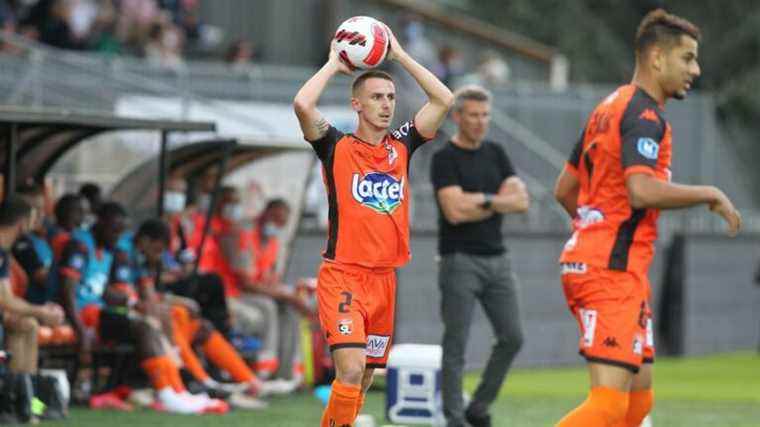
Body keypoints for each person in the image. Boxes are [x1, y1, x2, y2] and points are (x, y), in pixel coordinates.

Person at [552, 9, 742, 427]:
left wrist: (592, 230)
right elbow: (640, 190)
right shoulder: (644, 115)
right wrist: (707, 192)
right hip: (609, 271)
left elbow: (565, 189)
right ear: (657, 58)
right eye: (687, 58)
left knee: (638, 403)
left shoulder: (608, 107)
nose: (696, 68)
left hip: (612, 266)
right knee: (608, 407)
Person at [293, 24, 454, 427]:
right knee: (349, 370)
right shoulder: (335, 146)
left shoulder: (402, 146)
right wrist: (333, 63)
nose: (386, 105)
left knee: (364, 377)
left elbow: (444, 98)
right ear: (357, 105)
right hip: (344, 275)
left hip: (384, 280)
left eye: (390, 97)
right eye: (376, 98)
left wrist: (398, 55)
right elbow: (302, 104)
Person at [57, 201, 227, 414]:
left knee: (152, 323)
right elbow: (67, 291)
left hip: (100, 311)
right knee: (145, 326)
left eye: (120, 232)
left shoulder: (107, 249)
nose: (117, 237)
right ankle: (168, 392)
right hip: (84, 315)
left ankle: (177, 389)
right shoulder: (81, 245)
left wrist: (130, 303)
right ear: (100, 224)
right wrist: (81, 329)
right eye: (114, 230)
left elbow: (104, 290)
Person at [430, 85, 529, 427]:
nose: (480, 121)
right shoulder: (444, 158)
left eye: (485, 115)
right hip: (459, 260)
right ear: (457, 116)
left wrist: (480, 200)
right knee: (456, 343)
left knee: (513, 336)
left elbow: (521, 201)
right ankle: (455, 419)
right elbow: (454, 212)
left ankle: (478, 406)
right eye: (473, 115)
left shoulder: (497, 152)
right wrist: (495, 200)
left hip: (497, 260)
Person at [0, 196, 65, 423]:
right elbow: (5, 299)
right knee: (27, 321)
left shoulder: (4, 252)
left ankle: (29, 401)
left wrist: (37, 312)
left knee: (28, 325)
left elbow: (5, 298)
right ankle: (11, 401)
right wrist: (41, 310)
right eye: (35, 217)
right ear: (23, 222)